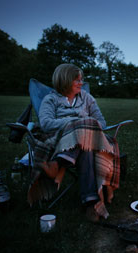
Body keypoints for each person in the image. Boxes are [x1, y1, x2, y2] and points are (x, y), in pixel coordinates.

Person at [32, 63, 117, 222]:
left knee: (85, 139)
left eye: (81, 80)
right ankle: (91, 204)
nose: (81, 83)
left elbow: (102, 123)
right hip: (61, 141)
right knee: (85, 143)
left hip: (87, 140)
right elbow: (46, 123)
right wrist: (73, 122)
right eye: (77, 80)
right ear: (65, 80)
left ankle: (58, 164)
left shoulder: (87, 98)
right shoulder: (50, 99)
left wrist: (83, 124)